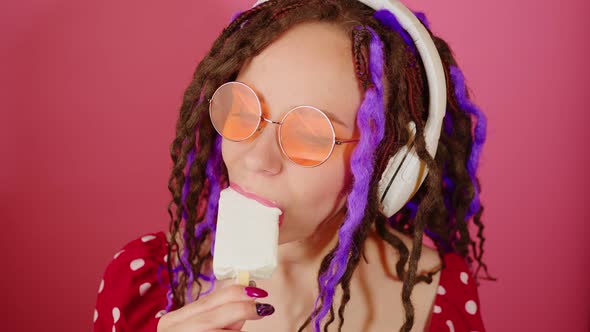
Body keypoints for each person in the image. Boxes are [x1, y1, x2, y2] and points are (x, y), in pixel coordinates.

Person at [94, 0, 495, 331]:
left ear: (390, 164)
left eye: (312, 135)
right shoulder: (139, 287)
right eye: (243, 109)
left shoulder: (441, 292)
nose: (256, 158)